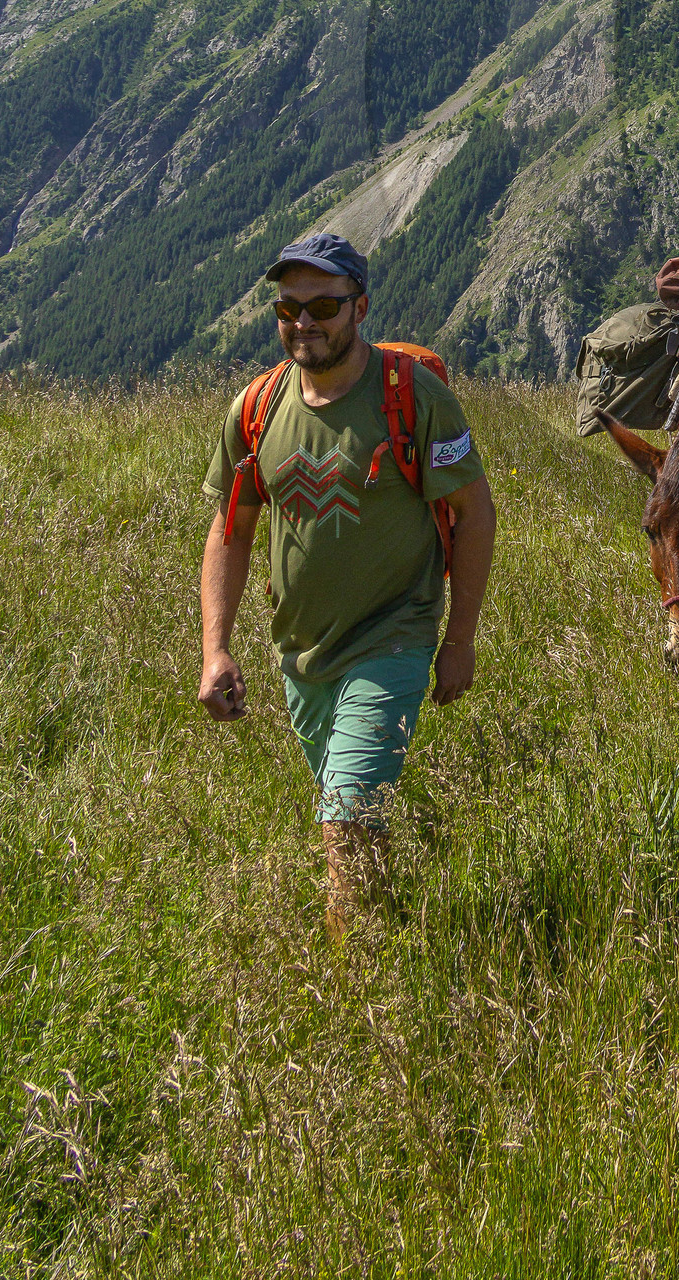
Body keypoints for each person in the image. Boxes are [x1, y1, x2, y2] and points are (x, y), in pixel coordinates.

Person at [196, 233, 497, 937]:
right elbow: (231, 531)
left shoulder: (412, 397)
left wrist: (459, 639)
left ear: (359, 307)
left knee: (346, 816)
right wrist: (215, 648)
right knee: (354, 816)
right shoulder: (256, 408)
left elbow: (475, 512)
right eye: (288, 307)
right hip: (301, 653)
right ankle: (389, 924)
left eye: (324, 306)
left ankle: (353, 973)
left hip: (394, 636)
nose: (304, 322)